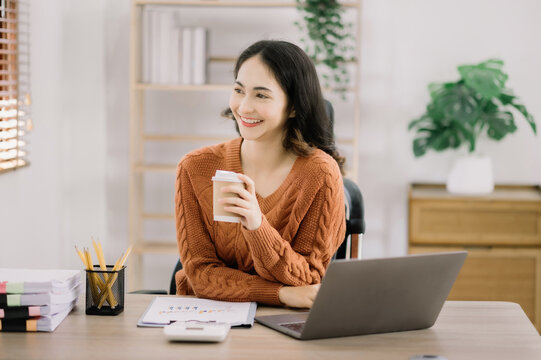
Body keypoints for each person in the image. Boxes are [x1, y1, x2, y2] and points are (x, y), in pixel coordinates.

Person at [174, 40, 346, 308]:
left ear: (293, 107)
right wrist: (279, 294)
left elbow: (309, 279)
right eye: (239, 90)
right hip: (205, 315)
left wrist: (257, 225)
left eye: (261, 95)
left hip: (285, 323)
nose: (243, 107)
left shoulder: (320, 174)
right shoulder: (195, 167)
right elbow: (200, 274)